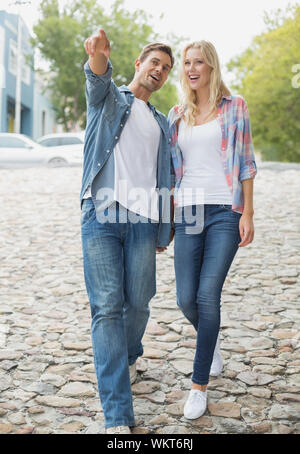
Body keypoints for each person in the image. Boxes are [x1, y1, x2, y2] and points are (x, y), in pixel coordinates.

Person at [80, 29, 174, 433]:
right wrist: (99, 55)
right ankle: (118, 417)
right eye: (155, 62)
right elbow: (97, 75)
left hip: (143, 219)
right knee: (106, 308)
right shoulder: (110, 99)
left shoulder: (160, 122)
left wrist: (164, 227)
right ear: (138, 64)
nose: (160, 71)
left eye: (167, 69)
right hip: (100, 213)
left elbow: (166, 176)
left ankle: (129, 354)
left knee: (138, 301)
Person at [168, 41, 257, 420]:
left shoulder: (234, 107)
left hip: (224, 209)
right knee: (186, 299)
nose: (191, 68)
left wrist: (248, 211)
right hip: (187, 211)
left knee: (207, 295)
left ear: (211, 67)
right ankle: (212, 339)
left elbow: (247, 163)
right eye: (186, 63)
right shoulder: (176, 114)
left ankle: (198, 385)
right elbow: (170, 172)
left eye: (198, 62)